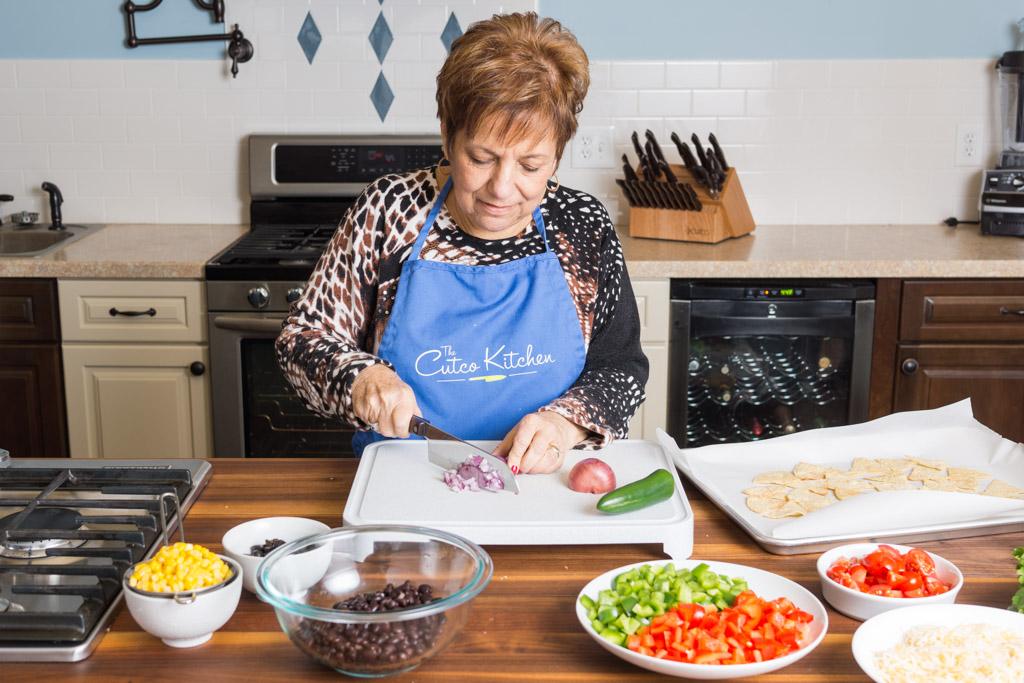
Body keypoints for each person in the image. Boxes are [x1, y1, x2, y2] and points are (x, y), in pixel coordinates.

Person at [276, 12, 648, 475]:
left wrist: (564, 424)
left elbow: (622, 369)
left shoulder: (583, 226)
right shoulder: (388, 211)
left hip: (544, 487)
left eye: (531, 165)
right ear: (448, 137)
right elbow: (303, 340)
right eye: (481, 158)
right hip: (403, 478)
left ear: (558, 154)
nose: (502, 187)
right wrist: (362, 378)